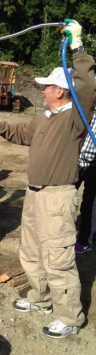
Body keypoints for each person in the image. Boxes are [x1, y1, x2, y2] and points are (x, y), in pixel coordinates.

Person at [0, 19, 95, 339]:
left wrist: (78, 46)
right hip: (35, 194)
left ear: (60, 91)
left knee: (58, 258)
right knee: (32, 252)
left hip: (57, 197)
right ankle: (40, 299)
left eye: (46, 86)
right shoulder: (44, 118)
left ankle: (69, 318)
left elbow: (87, 85)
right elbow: (20, 132)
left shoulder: (74, 119)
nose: (41, 90)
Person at [75, 108, 96, 253]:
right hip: (76, 161)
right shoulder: (88, 107)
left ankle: (85, 240)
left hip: (94, 165)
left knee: (90, 204)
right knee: (65, 198)